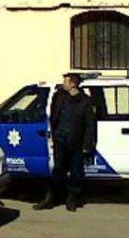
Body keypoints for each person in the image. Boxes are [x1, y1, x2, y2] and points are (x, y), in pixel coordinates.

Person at [34, 73, 96, 212]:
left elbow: (90, 125)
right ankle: (51, 199)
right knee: (58, 170)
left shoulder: (85, 101)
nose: (63, 84)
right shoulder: (59, 96)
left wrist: (87, 145)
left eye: (66, 81)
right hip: (60, 140)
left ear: (73, 84)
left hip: (76, 142)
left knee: (76, 173)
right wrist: (54, 135)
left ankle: (72, 199)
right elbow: (53, 116)